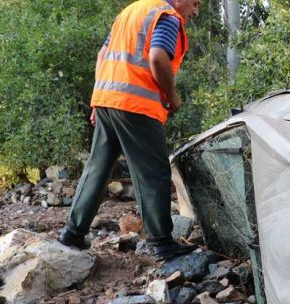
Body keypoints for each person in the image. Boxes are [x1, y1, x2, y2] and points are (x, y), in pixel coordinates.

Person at [59, 0, 201, 260]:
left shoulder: (131, 11)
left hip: (107, 99)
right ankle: (161, 242)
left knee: (97, 168)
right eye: (195, 4)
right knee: (154, 171)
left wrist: (97, 99)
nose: (195, 12)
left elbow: (103, 56)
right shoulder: (168, 17)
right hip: (137, 104)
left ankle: (73, 232)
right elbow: (158, 56)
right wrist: (172, 95)